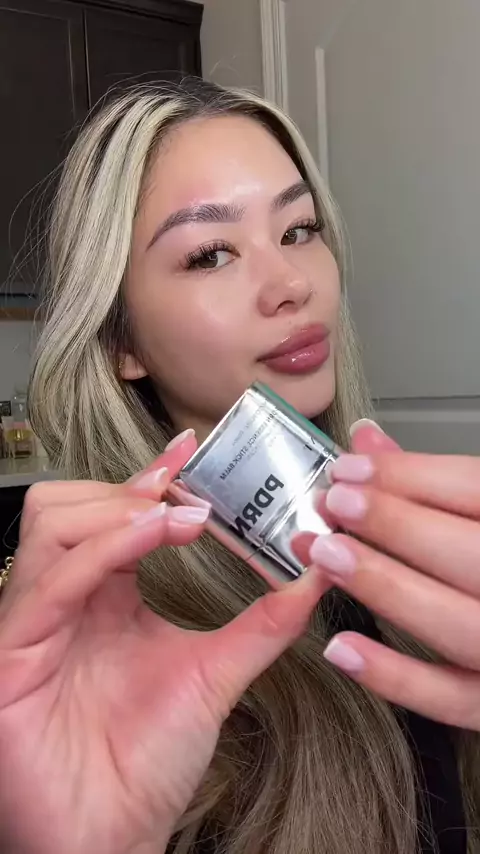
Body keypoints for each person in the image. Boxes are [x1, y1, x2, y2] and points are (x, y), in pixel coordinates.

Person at [0, 77, 479, 854]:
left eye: (299, 229)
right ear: (121, 342)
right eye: (210, 254)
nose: (293, 285)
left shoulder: (418, 564)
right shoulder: (98, 650)